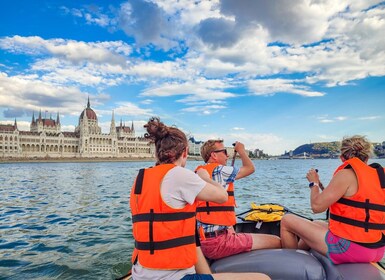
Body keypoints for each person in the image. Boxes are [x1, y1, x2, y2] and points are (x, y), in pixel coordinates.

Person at [130, 117, 270, 280]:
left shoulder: (140, 179)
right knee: (263, 278)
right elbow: (222, 196)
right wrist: (206, 178)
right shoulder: (179, 175)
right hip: (173, 277)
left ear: (157, 152)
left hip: (140, 274)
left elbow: (189, 238)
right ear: (185, 152)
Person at [280, 135, 385, 264]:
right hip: (377, 249)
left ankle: (291, 267)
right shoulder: (380, 176)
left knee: (287, 220)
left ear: (342, 158)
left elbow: (316, 207)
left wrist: (314, 184)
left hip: (351, 250)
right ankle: (302, 255)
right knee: (317, 223)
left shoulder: (346, 175)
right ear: (367, 157)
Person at [196, 139, 281, 260]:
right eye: (224, 151)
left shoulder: (199, 172)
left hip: (204, 240)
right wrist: (241, 150)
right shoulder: (220, 171)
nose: (228, 155)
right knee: (276, 241)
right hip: (218, 243)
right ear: (214, 155)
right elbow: (250, 168)